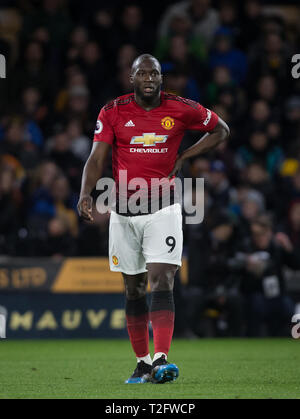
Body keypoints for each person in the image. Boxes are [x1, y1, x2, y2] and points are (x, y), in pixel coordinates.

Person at [77, 54, 229, 384]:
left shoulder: (181, 108)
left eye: (154, 73)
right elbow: (97, 156)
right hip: (123, 212)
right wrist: (86, 193)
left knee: (162, 279)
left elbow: (221, 129)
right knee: (134, 289)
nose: (148, 78)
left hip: (164, 208)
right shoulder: (113, 110)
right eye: (141, 73)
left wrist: (185, 155)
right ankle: (142, 363)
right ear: (131, 79)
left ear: (162, 78)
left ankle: (161, 360)